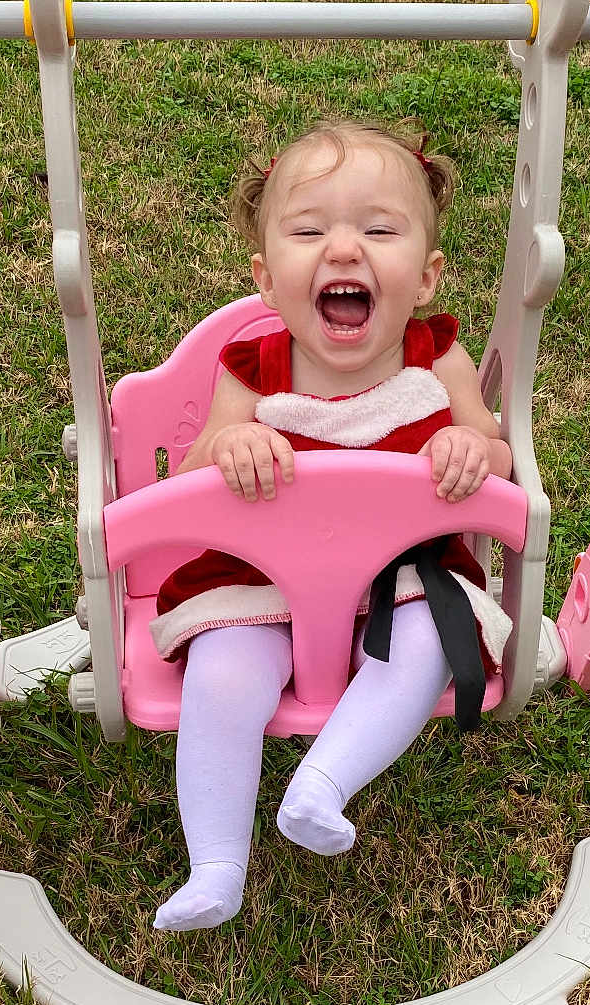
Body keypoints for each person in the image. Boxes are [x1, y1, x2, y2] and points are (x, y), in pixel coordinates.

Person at [150, 121, 514, 932]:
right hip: (260, 582)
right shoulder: (253, 368)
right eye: (310, 231)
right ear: (268, 279)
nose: (344, 248)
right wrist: (231, 444)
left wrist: (468, 445)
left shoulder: (436, 359)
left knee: (423, 652)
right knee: (225, 675)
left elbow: (497, 456)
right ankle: (214, 863)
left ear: (424, 277)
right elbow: (200, 462)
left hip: (405, 580)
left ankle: (322, 784)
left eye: (379, 230)